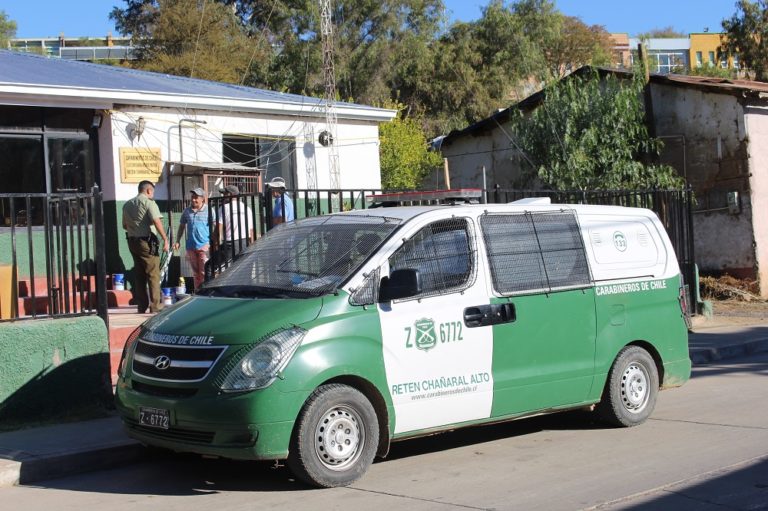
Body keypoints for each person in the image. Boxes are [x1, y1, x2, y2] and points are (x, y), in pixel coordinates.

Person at [122, 180, 169, 313]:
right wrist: (165, 239)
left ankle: (141, 306)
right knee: (153, 273)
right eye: (152, 191)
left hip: (132, 241)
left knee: (139, 274)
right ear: (148, 190)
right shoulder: (149, 203)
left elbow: (124, 225)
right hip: (146, 242)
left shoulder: (127, 205)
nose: (153, 194)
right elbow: (156, 220)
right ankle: (155, 306)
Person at [173, 187, 210, 292]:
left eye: (196, 198)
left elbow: (215, 226)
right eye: (192, 197)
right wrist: (177, 241)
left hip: (205, 246)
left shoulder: (209, 210)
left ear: (202, 199)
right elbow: (181, 226)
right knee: (195, 272)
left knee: (204, 271)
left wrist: (214, 241)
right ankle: (198, 291)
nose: (193, 200)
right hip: (191, 246)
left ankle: (205, 291)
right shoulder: (187, 211)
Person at [216, 184, 254, 263]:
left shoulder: (224, 207)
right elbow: (251, 230)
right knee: (241, 267)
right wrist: (252, 245)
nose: (223, 196)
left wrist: (216, 245)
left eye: (225, 194)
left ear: (230, 194)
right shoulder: (246, 208)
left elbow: (218, 229)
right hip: (244, 242)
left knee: (210, 266)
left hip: (230, 243)